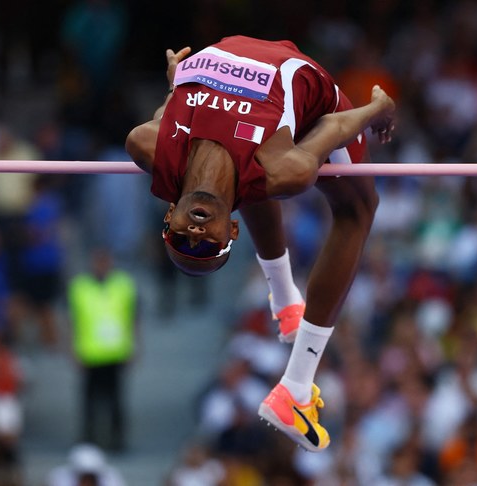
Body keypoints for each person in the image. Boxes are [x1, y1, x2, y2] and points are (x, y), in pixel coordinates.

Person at [125, 35, 395, 452]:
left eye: (183, 239)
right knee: (357, 209)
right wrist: (378, 109)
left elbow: (171, 108)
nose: (196, 235)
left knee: (239, 180)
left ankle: (286, 301)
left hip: (226, 55)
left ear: (170, 213)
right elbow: (332, 126)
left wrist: (177, 81)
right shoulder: (285, 170)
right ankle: (296, 386)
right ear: (232, 231)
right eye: (206, 245)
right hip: (309, 94)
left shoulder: (147, 146)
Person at [67, 249, 138, 451]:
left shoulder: (124, 284)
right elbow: (73, 320)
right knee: (89, 399)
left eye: (105, 261)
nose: (101, 265)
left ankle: (117, 439)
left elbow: (132, 317)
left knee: (116, 399)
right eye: (98, 261)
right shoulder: (79, 287)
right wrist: (72, 348)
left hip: (116, 351)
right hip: (89, 351)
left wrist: (133, 346)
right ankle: (88, 438)